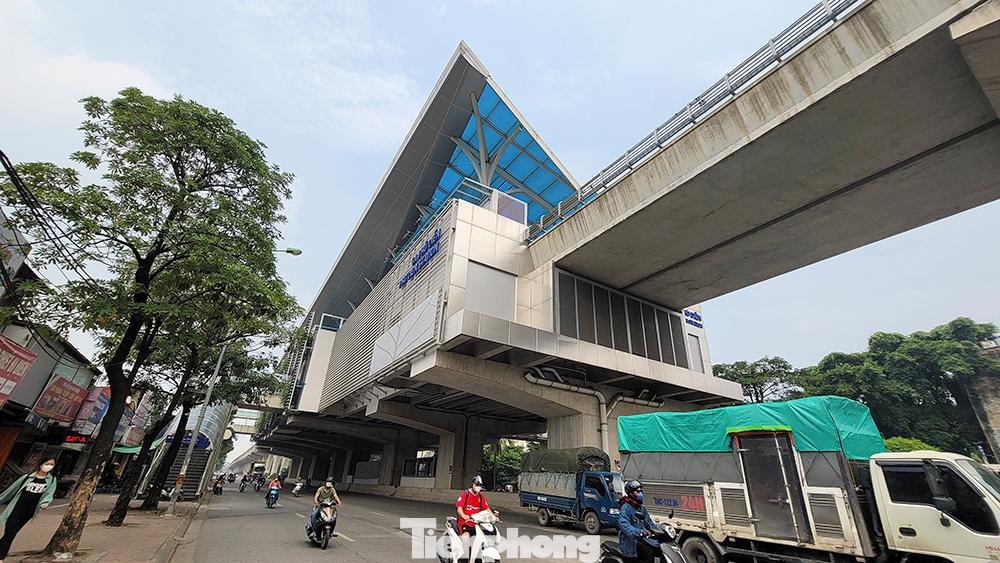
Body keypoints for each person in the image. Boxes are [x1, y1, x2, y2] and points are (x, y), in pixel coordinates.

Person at [0, 458, 57, 562]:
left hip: (28, 513)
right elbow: (11, 490)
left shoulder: (52, 480)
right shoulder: (27, 477)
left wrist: (45, 503)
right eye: (47, 463)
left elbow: (49, 494)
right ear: (41, 464)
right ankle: (1, 558)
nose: (49, 466)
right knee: (9, 534)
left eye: (51, 464)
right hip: (16, 510)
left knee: (11, 535)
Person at [617, 480, 658, 563]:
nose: (641, 494)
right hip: (630, 541)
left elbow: (649, 523)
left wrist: (658, 531)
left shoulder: (642, 509)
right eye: (638, 491)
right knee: (649, 553)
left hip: (642, 539)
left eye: (641, 491)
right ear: (631, 493)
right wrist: (639, 532)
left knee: (658, 548)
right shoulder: (625, 508)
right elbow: (624, 525)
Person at [455, 475, 496, 540]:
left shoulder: (481, 497)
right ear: (472, 484)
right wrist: (463, 515)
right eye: (477, 484)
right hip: (465, 522)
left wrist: (493, 517)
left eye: (480, 485)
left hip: (477, 523)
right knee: (466, 536)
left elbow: (486, 508)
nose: (478, 487)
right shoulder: (465, 494)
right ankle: (465, 547)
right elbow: (459, 508)